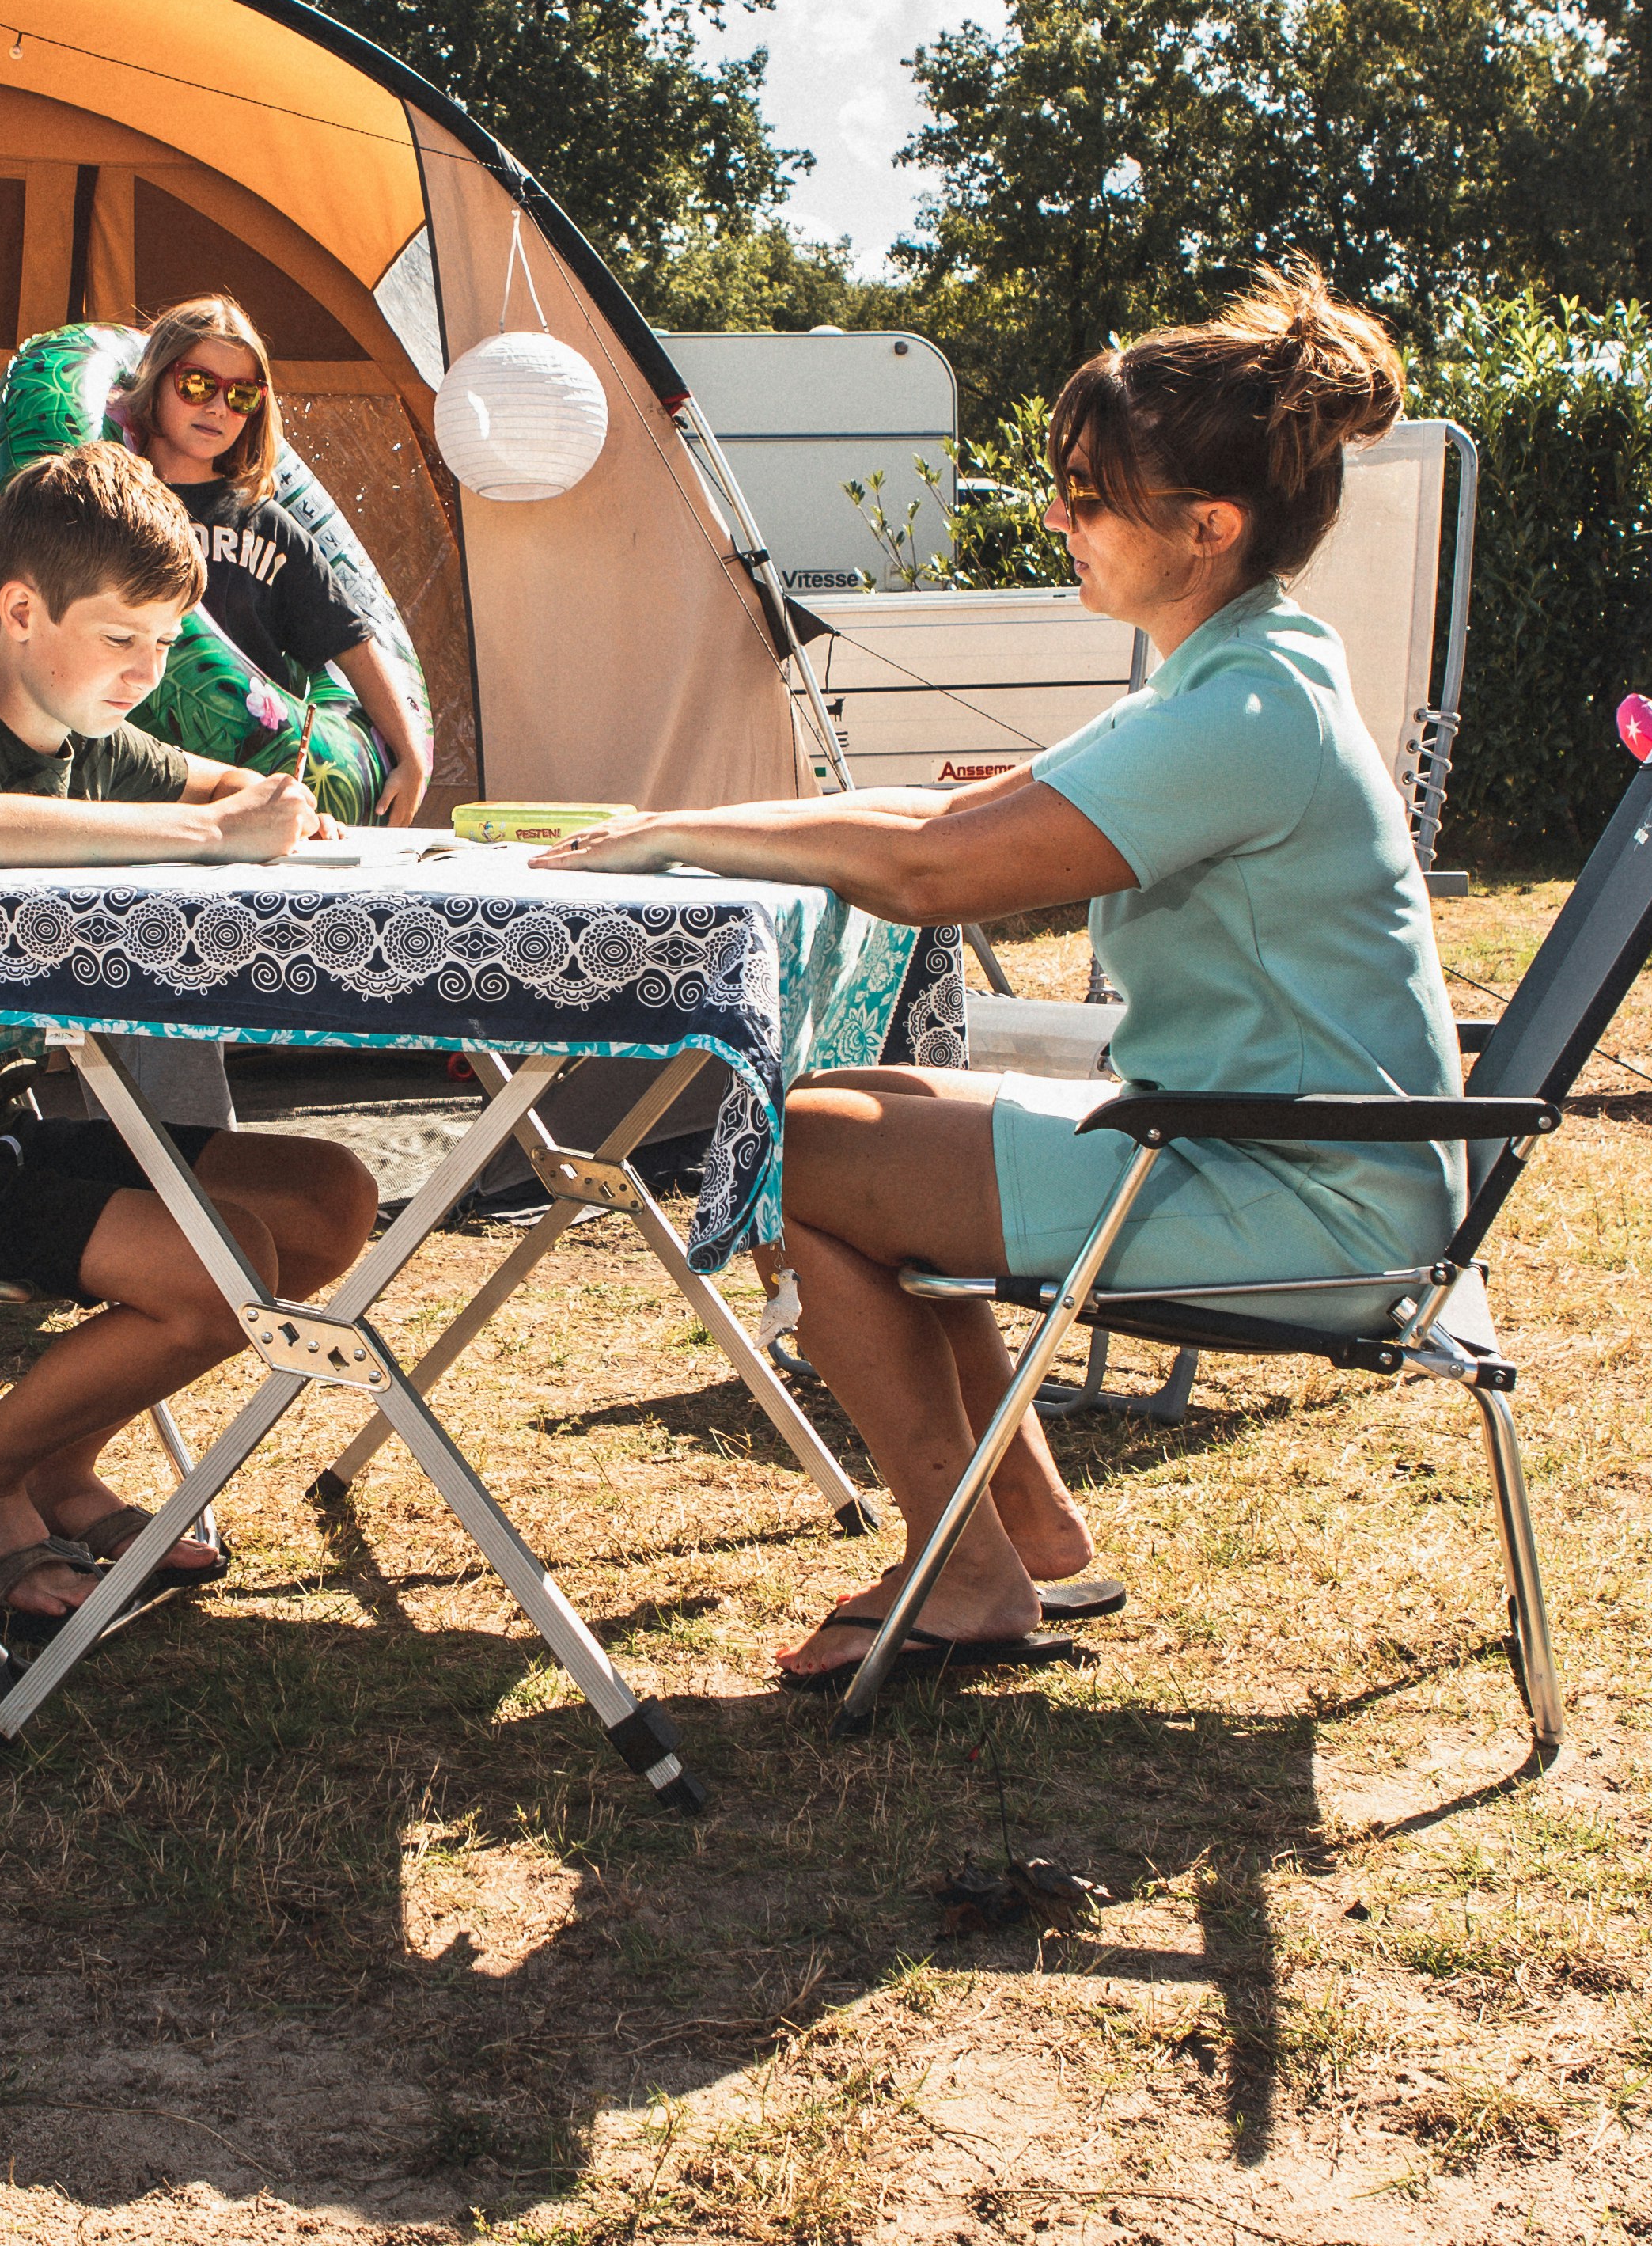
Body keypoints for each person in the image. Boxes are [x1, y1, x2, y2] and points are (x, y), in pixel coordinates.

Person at [536, 264, 1444, 1685]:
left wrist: (680, 837)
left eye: (1088, 496)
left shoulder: (1248, 708)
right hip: (1259, 1151)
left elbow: (935, 872)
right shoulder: (1237, 670)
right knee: (867, 1107)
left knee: (797, 1148)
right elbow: (946, 815)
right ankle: (1028, 1531)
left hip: (1302, 1200)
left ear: (1208, 526)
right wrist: (678, 826)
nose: (1056, 517)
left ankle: (964, 1570)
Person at [0, 444, 377, 1637]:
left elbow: (218, 791)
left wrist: (269, 804)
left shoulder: (90, 738)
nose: (147, 672)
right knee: (221, 1267)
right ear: (22, 611)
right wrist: (207, 842)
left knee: (327, 1196)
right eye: (120, 637)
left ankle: (55, 1466)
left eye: (166, 641)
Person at [110, 294, 435, 824]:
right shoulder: (110, 504)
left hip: (253, 787)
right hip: (135, 777)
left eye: (241, 394)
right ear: (156, 381)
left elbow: (350, 642)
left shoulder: (268, 525)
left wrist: (411, 756)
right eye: (198, 385)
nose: (218, 408)